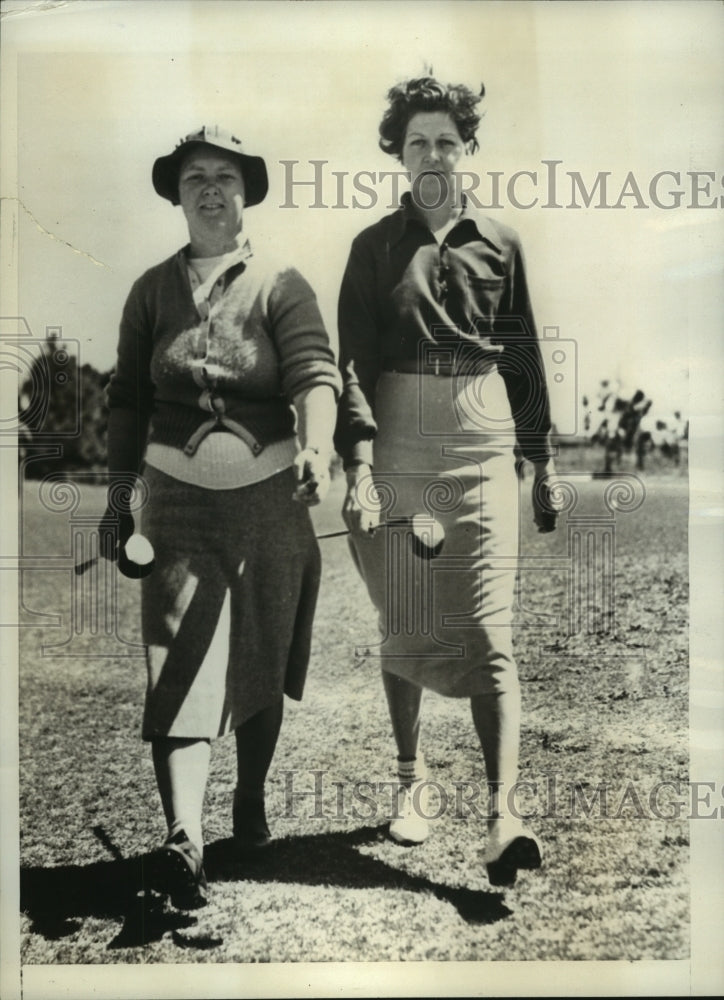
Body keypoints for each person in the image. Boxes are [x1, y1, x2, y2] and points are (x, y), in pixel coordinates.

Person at [103, 125, 340, 908]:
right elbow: (129, 403)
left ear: (247, 194)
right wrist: (118, 503)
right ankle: (184, 838)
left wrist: (316, 447)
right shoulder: (149, 291)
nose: (210, 189)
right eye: (195, 177)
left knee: (262, 655)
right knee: (177, 661)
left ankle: (250, 798)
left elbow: (314, 373)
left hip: (272, 498)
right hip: (175, 504)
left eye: (226, 178)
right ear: (176, 194)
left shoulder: (283, 282)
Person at [334, 78, 558, 887]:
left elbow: (525, 354)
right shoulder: (371, 249)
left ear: (467, 151)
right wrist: (357, 464)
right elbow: (351, 364)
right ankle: (410, 781)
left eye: (447, 141)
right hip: (396, 436)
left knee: (492, 628)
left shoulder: (500, 242)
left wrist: (545, 464)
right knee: (408, 620)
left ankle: (504, 818)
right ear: (398, 152)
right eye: (418, 141)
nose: (433, 154)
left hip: (483, 434)